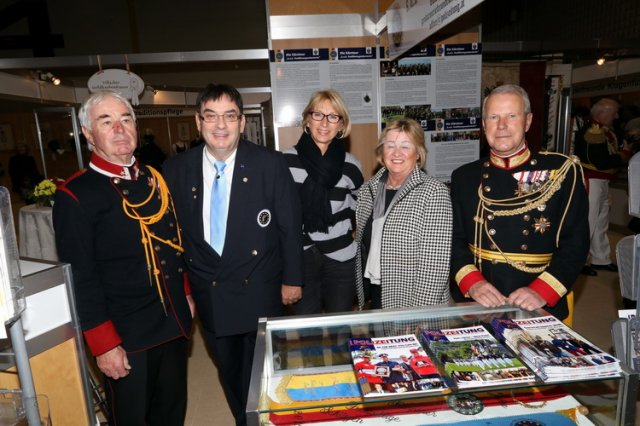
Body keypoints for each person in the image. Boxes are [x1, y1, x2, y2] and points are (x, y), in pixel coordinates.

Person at [162, 83, 303, 426]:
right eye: (211, 116)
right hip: (210, 290)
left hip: (260, 284)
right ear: (198, 122)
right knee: (228, 369)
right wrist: (182, 291)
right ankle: (245, 419)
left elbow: (289, 225)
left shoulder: (269, 164)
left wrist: (292, 280)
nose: (220, 125)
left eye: (229, 116)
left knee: (263, 370)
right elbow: (172, 237)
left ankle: (261, 419)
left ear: (242, 122)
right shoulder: (176, 169)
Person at [52, 91, 193, 425]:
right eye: (106, 121)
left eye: (126, 119)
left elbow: (173, 243)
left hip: (171, 319)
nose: (119, 128)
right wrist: (103, 344)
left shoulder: (154, 179)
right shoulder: (76, 194)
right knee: (130, 417)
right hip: (126, 333)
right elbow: (82, 278)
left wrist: (185, 293)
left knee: (171, 411)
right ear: (88, 134)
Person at [450, 84, 589, 321]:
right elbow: (453, 239)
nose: (501, 126)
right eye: (494, 117)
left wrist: (541, 290)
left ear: (528, 121)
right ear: (484, 124)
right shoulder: (464, 176)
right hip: (479, 301)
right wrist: (473, 283)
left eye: (511, 116)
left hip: (537, 300)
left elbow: (576, 242)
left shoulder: (562, 171)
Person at [354, 119, 452, 310]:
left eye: (405, 146)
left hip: (412, 299)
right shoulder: (368, 190)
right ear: (382, 152)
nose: (396, 153)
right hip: (376, 292)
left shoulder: (434, 192)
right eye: (390, 145)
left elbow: (435, 266)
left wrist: (419, 313)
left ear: (418, 153)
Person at [284, 89, 363, 314]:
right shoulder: (284, 161)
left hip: (341, 258)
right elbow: (281, 216)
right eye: (318, 114)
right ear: (307, 119)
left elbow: (360, 210)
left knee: (341, 330)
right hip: (301, 257)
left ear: (341, 125)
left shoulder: (352, 165)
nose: (324, 123)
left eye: (333, 116)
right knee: (308, 334)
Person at [574, 98, 631, 275]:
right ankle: (580, 261)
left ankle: (600, 258)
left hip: (603, 181)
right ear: (602, 113)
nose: (616, 116)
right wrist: (622, 156)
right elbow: (598, 161)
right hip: (593, 180)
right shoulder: (593, 131)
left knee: (601, 222)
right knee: (589, 221)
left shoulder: (605, 131)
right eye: (613, 112)